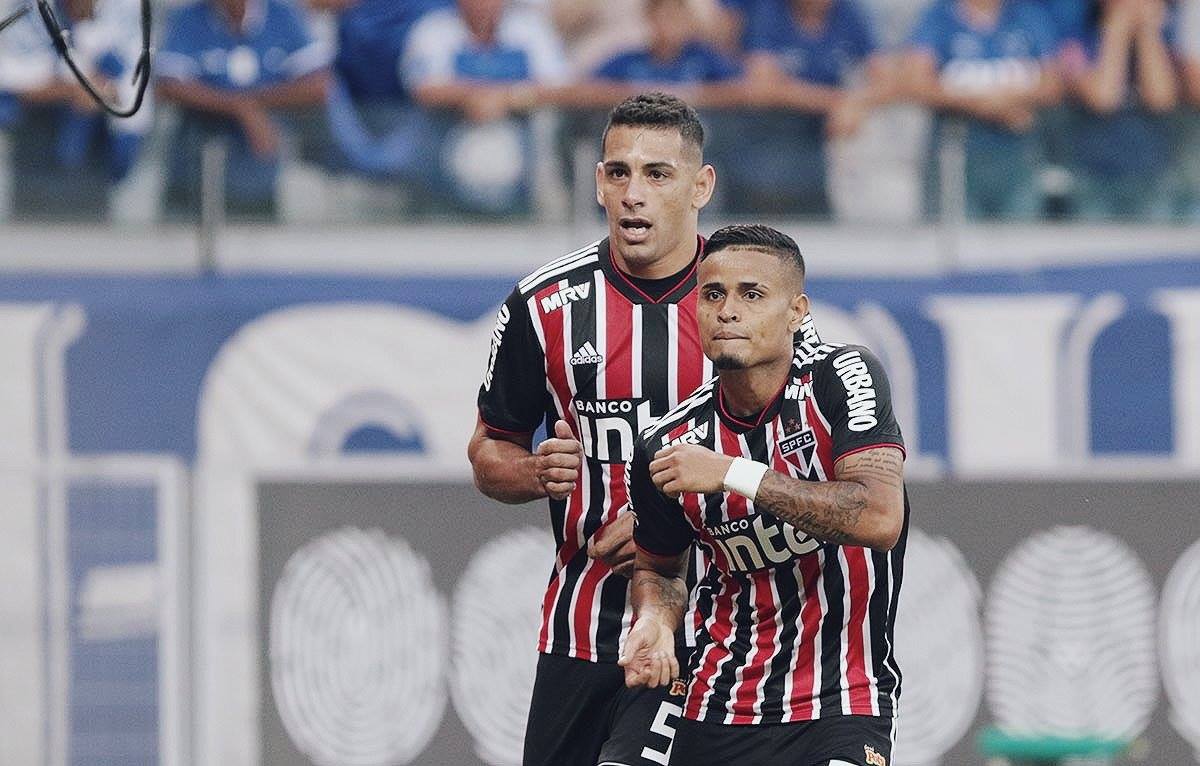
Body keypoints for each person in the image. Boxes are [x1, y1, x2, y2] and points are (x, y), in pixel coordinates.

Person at [468, 92, 716, 766]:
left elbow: (797, 464)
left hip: (710, 631)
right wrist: (532, 472)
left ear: (700, 187)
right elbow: (489, 448)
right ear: (599, 183)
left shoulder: (744, 301)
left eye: (657, 174)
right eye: (619, 173)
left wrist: (671, 523)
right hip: (579, 629)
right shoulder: (543, 304)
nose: (634, 194)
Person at [622, 224, 907, 765]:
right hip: (717, 703)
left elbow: (879, 517)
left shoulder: (840, 378)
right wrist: (654, 621)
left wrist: (734, 473)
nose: (728, 311)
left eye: (751, 295)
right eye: (713, 294)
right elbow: (659, 571)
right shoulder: (666, 443)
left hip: (842, 700)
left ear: (797, 311)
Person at [155, 0, 332, 219]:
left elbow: (319, 85)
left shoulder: (284, 15)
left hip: (258, 185)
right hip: (190, 184)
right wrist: (240, 107)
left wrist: (253, 104)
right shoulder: (188, 17)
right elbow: (167, 85)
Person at [399, 0, 569, 214]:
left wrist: (508, 98)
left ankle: (542, 206)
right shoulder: (433, 29)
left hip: (520, 132)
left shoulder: (530, 28)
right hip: (450, 131)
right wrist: (471, 98)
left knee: (547, 121)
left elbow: (560, 87)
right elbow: (423, 88)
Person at [903, 0, 1062, 220]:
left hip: (1018, 155)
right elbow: (916, 83)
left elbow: (1054, 83)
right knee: (957, 236)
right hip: (958, 153)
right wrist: (986, 106)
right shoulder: (939, 16)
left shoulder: (1027, 16)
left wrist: (1002, 101)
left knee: (1021, 237)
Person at [0, 0, 151, 219]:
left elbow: (134, 81)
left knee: (90, 227)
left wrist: (104, 91)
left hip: (97, 149)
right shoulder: (30, 7)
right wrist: (73, 90)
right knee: (35, 225)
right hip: (39, 142)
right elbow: (12, 78)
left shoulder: (125, 8)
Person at [1058, 0, 1179, 220]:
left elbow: (1161, 99)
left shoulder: (1162, 34)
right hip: (1092, 175)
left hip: (1152, 174)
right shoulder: (1079, 31)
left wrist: (1147, 33)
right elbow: (1104, 98)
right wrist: (1116, 30)